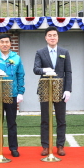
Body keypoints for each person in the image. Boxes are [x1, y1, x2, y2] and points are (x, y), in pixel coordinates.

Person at [33, 26, 72, 156]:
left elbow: (68, 72)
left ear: (58, 37)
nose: (52, 37)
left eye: (54, 35)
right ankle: (45, 145)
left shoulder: (64, 52)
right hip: (45, 88)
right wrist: (45, 70)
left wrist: (68, 89)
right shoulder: (40, 52)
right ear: (46, 37)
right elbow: (35, 69)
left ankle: (60, 145)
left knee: (61, 119)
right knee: (45, 119)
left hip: (60, 89)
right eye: (49, 35)